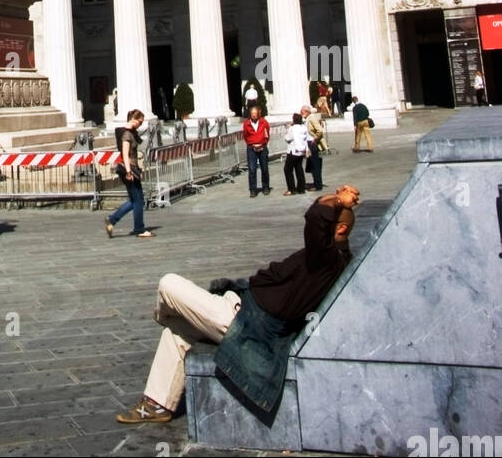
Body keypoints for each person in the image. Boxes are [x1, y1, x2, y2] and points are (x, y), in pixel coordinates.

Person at [115, 185, 360, 423]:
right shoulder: (329, 258)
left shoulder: (328, 261)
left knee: (168, 284)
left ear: (339, 229)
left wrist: (339, 202)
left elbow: (316, 216)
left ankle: (163, 315)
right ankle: (157, 405)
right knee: (176, 333)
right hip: (242, 310)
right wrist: (337, 196)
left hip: (243, 322)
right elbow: (318, 210)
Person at [104, 109, 152, 238]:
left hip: (131, 167)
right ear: (133, 119)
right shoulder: (126, 135)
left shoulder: (130, 133)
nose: (140, 125)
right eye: (139, 122)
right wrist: (129, 172)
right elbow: (125, 154)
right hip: (128, 168)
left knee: (135, 200)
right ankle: (139, 228)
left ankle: (112, 219)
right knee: (138, 201)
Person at [243, 104, 271, 197]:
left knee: (264, 168)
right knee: (252, 169)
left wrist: (264, 142)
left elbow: (267, 132)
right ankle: (253, 190)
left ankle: (266, 187)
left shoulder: (263, 122)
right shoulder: (246, 123)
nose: (254, 115)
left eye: (255, 114)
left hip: (262, 146)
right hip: (251, 147)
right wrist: (251, 143)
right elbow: (245, 135)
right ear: (250, 114)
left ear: (258, 114)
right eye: (252, 114)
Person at [301, 106, 325, 191]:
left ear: (307, 112)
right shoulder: (307, 119)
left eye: (302, 112)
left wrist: (315, 138)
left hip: (312, 143)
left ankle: (318, 185)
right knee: (312, 164)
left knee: (315, 165)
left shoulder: (312, 118)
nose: (301, 113)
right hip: (308, 143)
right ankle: (316, 182)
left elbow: (320, 130)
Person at [282, 113, 307, 196]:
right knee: (299, 169)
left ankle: (291, 189)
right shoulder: (303, 128)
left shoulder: (292, 129)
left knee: (288, 170)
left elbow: (288, 138)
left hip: (293, 151)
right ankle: (301, 188)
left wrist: (288, 129)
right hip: (301, 151)